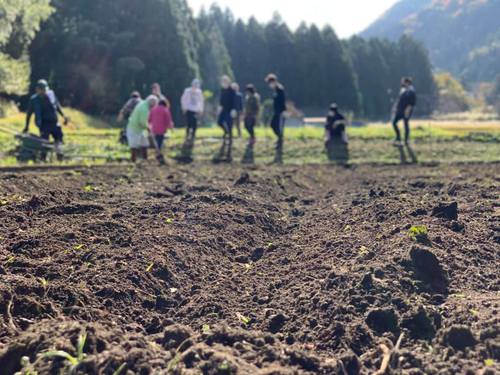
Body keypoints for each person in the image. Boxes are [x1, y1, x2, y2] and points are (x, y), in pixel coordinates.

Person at [23, 80, 68, 161]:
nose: (44, 91)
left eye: (45, 89)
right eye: (41, 89)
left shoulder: (51, 96)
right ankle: (43, 159)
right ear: (37, 89)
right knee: (44, 142)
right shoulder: (34, 100)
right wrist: (26, 126)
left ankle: (60, 158)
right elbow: (29, 114)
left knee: (59, 140)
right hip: (44, 124)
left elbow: (57, 107)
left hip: (54, 123)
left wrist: (64, 116)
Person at [127, 95, 158, 162]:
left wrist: (148, 130)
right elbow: (142, 122)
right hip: (135, 128)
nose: (153, 107)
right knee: (134, 146)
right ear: (151, 104)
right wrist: (149, 128)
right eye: (154, 105)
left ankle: (145, 159)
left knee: (145, 143)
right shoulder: (144, 109)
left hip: (142, 129)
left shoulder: (144, 103)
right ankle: (133, 160)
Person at [217, 75, 237, 161]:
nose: (223, 83)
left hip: (230, 111)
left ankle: (230, 143)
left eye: (225, 81)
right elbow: (221, 101)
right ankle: (226, 132)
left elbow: (235, 101)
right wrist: (219, 109)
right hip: (223, 110)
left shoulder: (232, 90)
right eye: (222, 82)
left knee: (230, 125)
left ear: (228, 82)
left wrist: (234, 110)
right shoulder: (222, 90)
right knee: (219, 122)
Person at [392, 77, 417, 146]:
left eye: (403, 82)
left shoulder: (411, 91)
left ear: (407, 82)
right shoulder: (403, 90)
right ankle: (398, 137)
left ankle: (406, 140)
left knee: (405, 124)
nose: (402, 83)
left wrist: (407, 111)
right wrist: (395, 108)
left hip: (406, 111)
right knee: (394, 122)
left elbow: (411, 103)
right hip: (400, 110)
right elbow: (399, 100)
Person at [265, 73, 287, 152]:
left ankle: (280, 142)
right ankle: (279, 139)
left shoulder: (280, 89)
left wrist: (284, 111)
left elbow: (282, 101)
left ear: (274, 82)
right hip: (276, 111)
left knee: (279, 127)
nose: (269, 85)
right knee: (273, 125)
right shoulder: (275, 90)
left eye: (270, 83)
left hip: (280, 112)